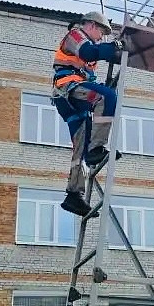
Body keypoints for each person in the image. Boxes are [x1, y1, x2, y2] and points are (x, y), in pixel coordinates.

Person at [52, 11, 125, 217]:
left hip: (70, 99)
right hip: (69, 89)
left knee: (81, 147)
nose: (101, 37)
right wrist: (116, 47)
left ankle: (73, 195)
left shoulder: (87, 44)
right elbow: (89, 52)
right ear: (91, 25)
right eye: (101, 32)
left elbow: (93, 57)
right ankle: (97, 147)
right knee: (107, 97)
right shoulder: (75, 36)